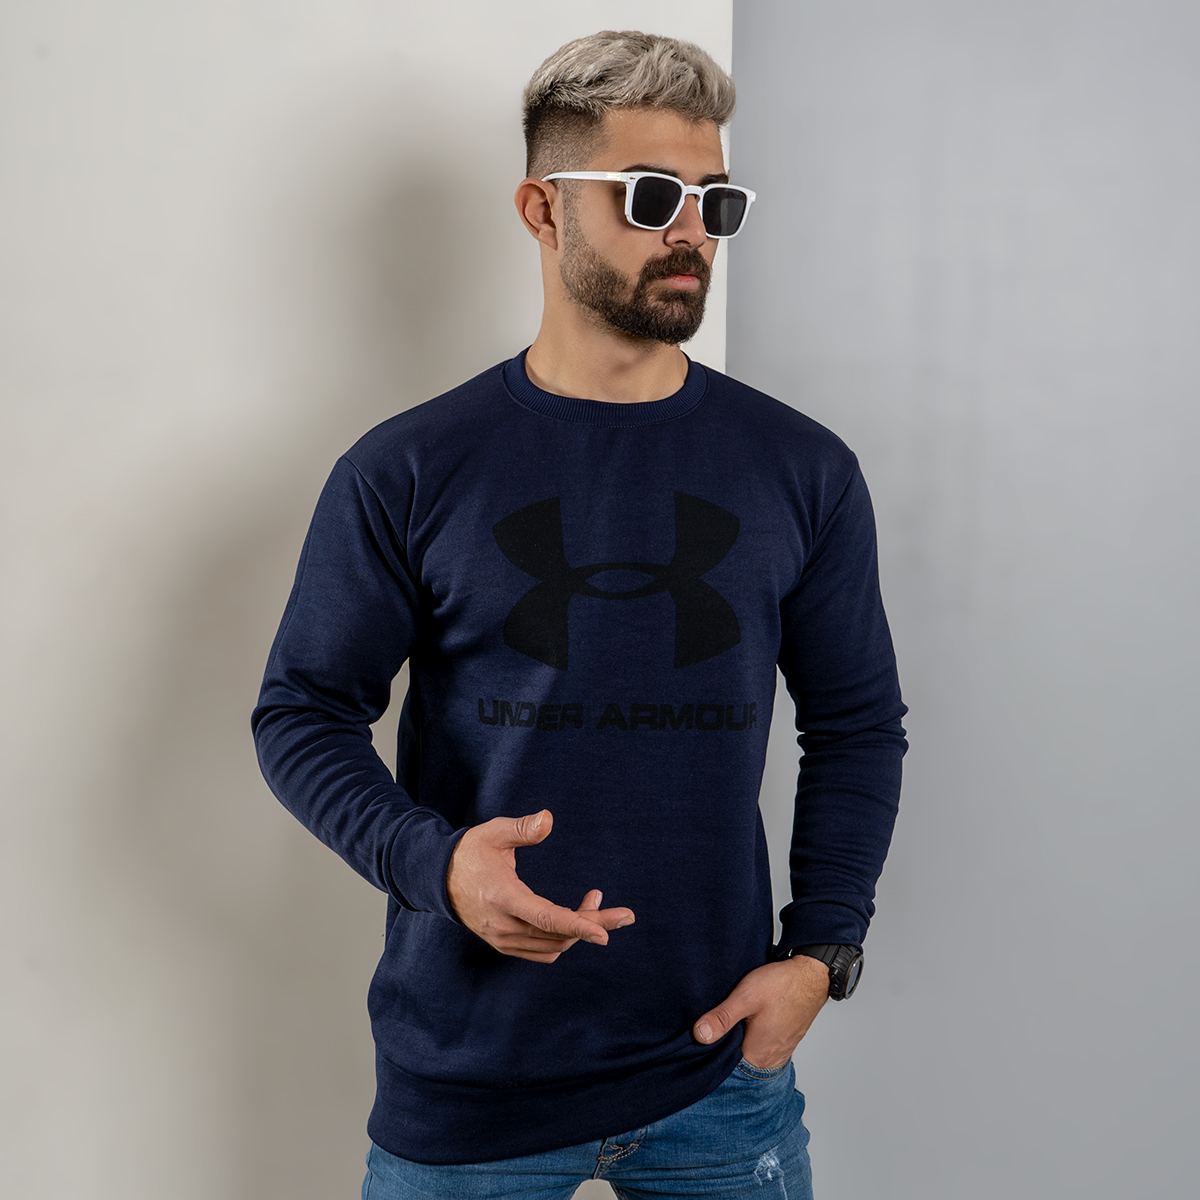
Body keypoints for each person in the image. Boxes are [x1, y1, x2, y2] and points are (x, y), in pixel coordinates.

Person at [252, 29, 906, 1200]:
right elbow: (301, 712)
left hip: (719, 1074)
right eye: (650, 196)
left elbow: (856, 726)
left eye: (715, 202)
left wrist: (822, 951)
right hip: (470, 1080)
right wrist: (438, 865)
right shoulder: (408, 469)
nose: (690, 231)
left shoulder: (801, 470)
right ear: (541, 210)